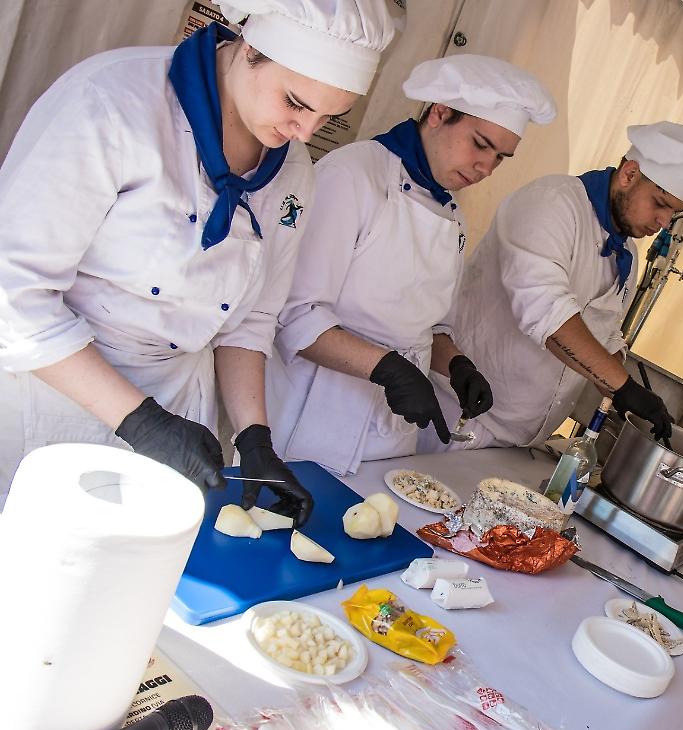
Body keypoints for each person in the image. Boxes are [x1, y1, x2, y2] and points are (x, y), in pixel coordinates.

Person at [0, 0, 396, 525]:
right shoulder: (111, 103)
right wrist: (139, 421)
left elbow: (250, 320)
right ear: (251, 47)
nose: (305, 131)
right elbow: (13, 292)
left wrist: (255, 438)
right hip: (55, 396)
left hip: (180, 406)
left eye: (329, 117)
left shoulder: (292, 171)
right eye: (296, 103)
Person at [265, 55, 556, 475]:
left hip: (390, 435)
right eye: (480, 144)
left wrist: (457, 364)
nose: (486, 168)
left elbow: (428, 326)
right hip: (311, 425)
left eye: (500, 158)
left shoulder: (453, 213)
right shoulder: (354, 175)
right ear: (439, 112)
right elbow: (293, 314)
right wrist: (388, 369)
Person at [418, 121, 683, 452]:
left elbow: (604, 333)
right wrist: (621, 386)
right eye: (659, 203)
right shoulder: (552, 205)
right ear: (629, 174)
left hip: (520, 442)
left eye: (672, 213)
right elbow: (546, 312)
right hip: (457, 417)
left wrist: (629, 385)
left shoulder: (626, 254)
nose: (663, 223)